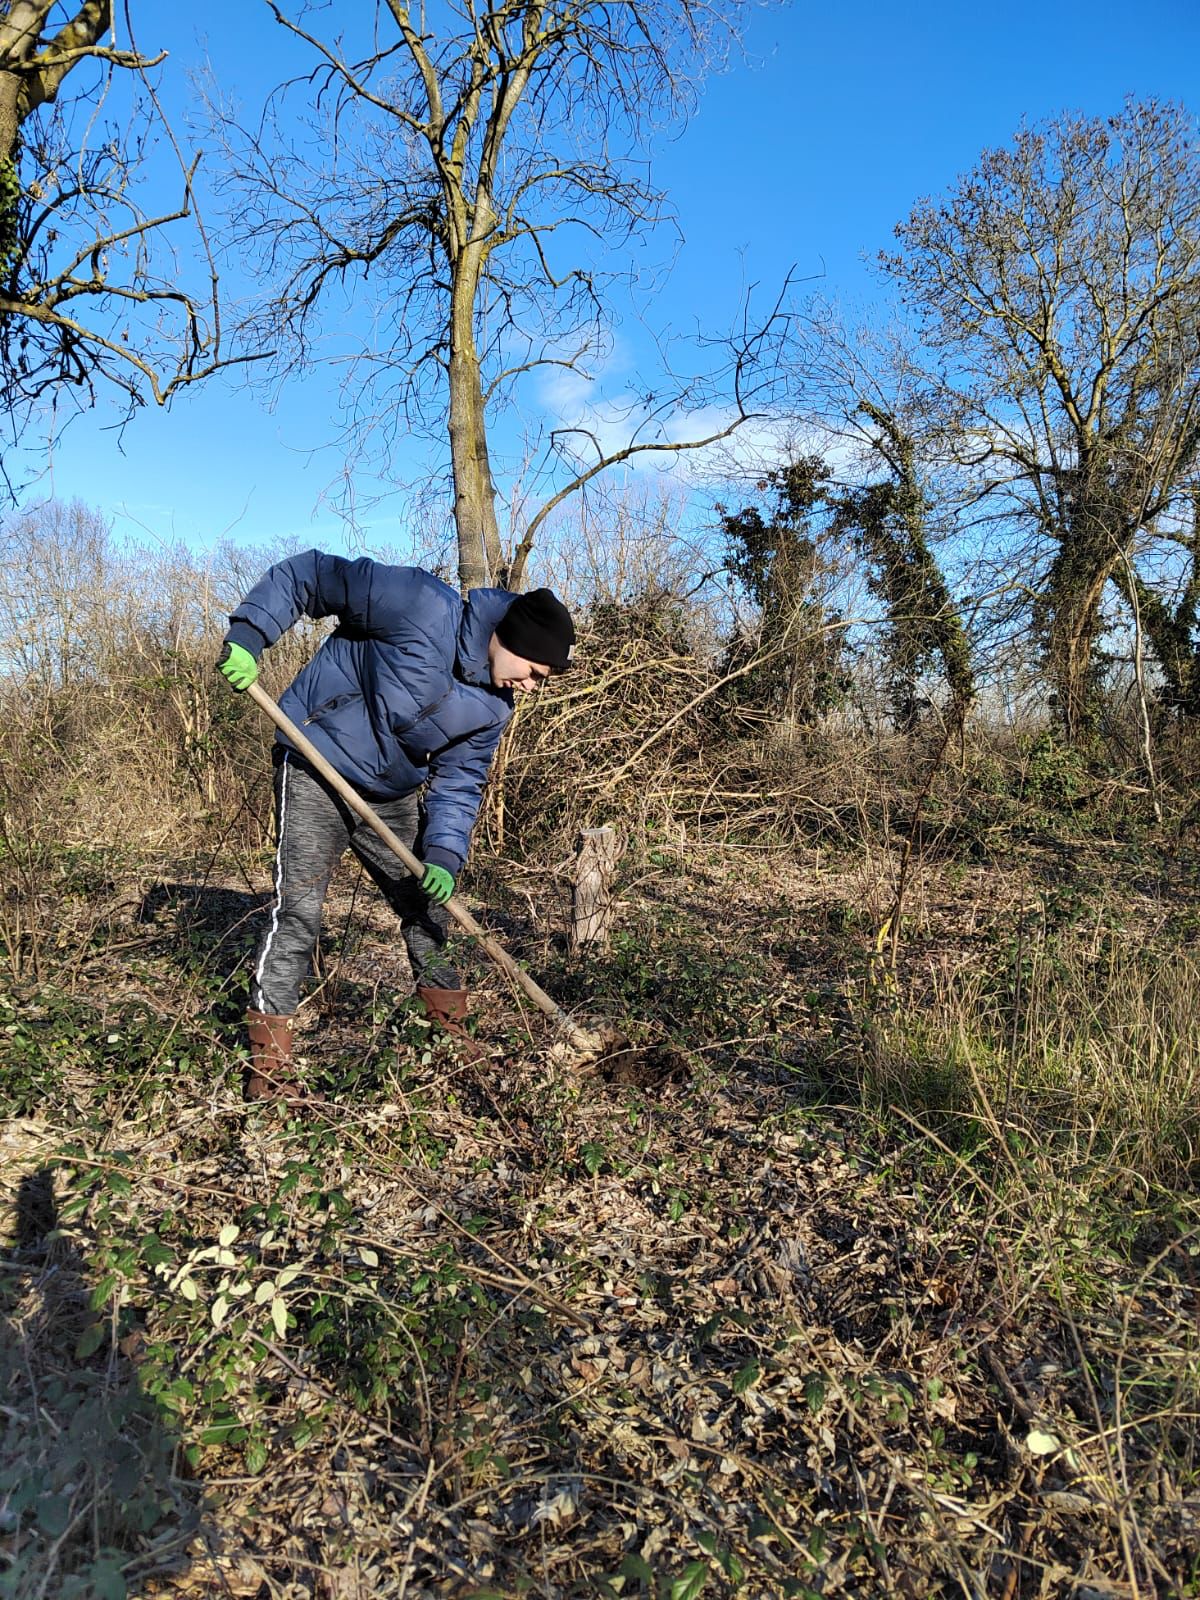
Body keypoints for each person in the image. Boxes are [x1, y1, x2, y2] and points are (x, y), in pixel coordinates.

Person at [216, 551, 575, 1102]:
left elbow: (459, 784)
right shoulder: (418, 605)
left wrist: (445, 858)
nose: (531, 686)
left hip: (388, 792)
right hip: (315, 760)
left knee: (424, 906)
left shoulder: (494, 707)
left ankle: (450, 1035)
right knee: (300, 910)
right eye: (534, 672)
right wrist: (250, 634)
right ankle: (269, 1061)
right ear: (512, 641)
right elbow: (309, 576)